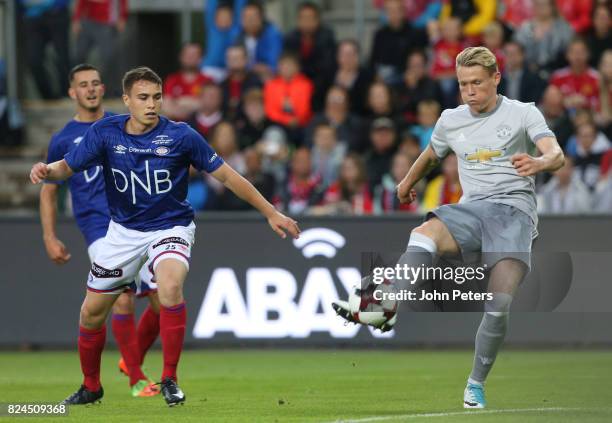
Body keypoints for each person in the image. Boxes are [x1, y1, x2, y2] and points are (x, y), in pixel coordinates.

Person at [29, 66, 300, 406]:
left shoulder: (181, 136)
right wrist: (46, 169)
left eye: (157, 97)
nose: (152, 104)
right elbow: (66, 167)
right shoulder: (106, 132)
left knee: (169, 287)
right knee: (91, 314)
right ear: (127, 100)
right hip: (123, 232)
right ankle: (91, 385)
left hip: (170, 227)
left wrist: (271, 212)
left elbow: (229, 177)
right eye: (143, 98)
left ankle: (169, 378)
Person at [333, 46, 564, 409]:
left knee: (498, 305)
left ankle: (475, 382)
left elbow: (556, 153)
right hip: (472, 210)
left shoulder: (523, 113)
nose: (469, 91)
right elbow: (431, 153)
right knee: (425, 233)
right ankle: (388, 299)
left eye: (476, 83)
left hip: (514, 214)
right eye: (462, 84)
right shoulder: (451, 120)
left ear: (496, 79)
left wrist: (540, 162)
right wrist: (407, 182)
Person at [39, 64, 160, 398]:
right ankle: (136, 378)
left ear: (103, 88)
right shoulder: (63, 138)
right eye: (83, 85)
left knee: (163, 302)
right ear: (72, 93)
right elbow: (50, 188)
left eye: (95, 84)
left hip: (136, 222)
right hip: (98, 227)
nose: (90, 89)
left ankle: (129, 360)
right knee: (121, 299)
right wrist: (50, 236)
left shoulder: (122, 126)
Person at [72, 0, 128, 97]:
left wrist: (122, 17)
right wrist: (76, 19)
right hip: (88, 20)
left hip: (105, 23)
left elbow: (122, 2)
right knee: (79, 55)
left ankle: (111, 90)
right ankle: (78, 88)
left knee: (108, 58)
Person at [283, 2, 336, 100]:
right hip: (297, 82)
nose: (306, 22)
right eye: (303, 18)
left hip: (320, 83)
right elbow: (288, 63)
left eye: (310, 18)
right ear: (298, 20)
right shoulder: (290, 38)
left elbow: (327, 66)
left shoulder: (327, 37)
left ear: (317, 20)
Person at [19, 0, 71, 99]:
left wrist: (54, 4)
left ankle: (66, 94)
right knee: (33, 60)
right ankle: (48, 97)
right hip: (32, 16)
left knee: (62, 57)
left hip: (57, 13)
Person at [369, 0, 428, 85]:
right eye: (389, 10)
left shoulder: (415, 33)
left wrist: (413, 72)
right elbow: (373, 61)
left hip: (407, 74)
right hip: (385, 75)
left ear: (403, 12)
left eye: (396, 10)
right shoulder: (379, 35)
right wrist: (375, 76)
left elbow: (421, 57)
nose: (393, 14)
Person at [162, 43, 213, 121]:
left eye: (194, 55)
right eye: (187, 54)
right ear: (181, 57)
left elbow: (209, 106)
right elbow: (166, 108)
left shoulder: (208, 80)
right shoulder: (172, 79)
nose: (190, 57)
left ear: (201, 58)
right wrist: (194, 103)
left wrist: (178, 102)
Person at [550, 38, 600, 112]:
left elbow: (603, 103)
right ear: (567, 55)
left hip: (590, 117)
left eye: (581, 52)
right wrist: (563, 102)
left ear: (588, 54)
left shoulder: (597, 78)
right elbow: (550, 102)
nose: (577, 56)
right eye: (573, 52)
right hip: (563, 117)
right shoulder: (558, 76)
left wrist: (586, 102)